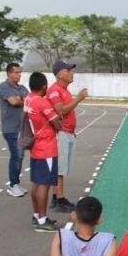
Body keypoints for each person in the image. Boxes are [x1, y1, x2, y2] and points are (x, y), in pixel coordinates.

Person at [47, 60, 88, 213]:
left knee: (62, 169)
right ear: (59, 74)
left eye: (72, 70)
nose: (72, 73)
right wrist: (79, 98)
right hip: (61, 133)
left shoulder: (64, 90)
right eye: (68, 70)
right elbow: (61, 110)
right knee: (59, 169)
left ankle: (56, 197)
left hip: (67, 133)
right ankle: (60, 199)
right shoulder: (55, 90)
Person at [25, 72, 62, 232]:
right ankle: (41, 220)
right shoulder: (42, 102)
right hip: (46, 147)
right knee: (44, 185)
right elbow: (57, 123)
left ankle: (37, 215)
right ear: (44, 86)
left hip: (36, 147)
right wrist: (58, 120)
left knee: (36, 182)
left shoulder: (28, 99)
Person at [0, 62, 29, 197]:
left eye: (20, 72)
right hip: (10, 128)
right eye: (16, 72)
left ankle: (16, 183)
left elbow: (29, 100)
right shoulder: (4, 86)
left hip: (22, 128)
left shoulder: (22, 87)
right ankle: (12, 185)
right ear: (9, 73)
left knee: (20, 156)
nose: (19, 75)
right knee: (16, 156)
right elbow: (13, 102)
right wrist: (21, 99)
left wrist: (20, 99)